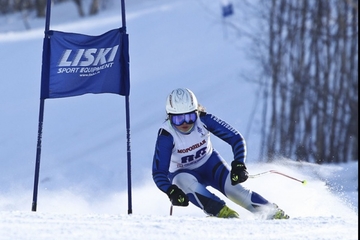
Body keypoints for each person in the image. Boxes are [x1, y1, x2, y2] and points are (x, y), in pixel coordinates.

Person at [152, 88, 289, 219]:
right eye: (178, 119)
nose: (185, 123)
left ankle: (273, 213)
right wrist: (171, 191)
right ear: (169, 118)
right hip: (183, 173)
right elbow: (159, 173)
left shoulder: (204, 120)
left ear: (197, 112)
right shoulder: (166, 135)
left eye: (190, 117)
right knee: (182, 181)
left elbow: (236, 138)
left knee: (235, 191)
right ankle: (225, 215)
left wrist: (239, 164)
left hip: (211, 165)